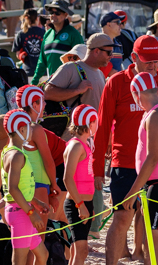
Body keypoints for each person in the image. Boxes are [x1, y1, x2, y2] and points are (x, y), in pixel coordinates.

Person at [95, 35, 158, 265]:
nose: (153, 65)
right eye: (148, 61)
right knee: (122, 218)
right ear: (134, 57)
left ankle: (145, 258)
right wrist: (98, 168)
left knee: (154, 229)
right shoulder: (117, 82)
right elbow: (102, 127)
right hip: (125, 163)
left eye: (156, 60)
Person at [120, 71, 158, 264]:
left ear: (137, 94)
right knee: (154, 241)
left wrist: (132, 191)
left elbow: (152, 158)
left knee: (155, 242)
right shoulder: (153, 113)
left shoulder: (157, 114)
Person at [0, 110, 49, 265]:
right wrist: (31, 213)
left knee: (43, 254)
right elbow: (13, 189)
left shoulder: (8, 152)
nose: (32, 131)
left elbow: (20, 187)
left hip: (21, 208)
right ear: (21, 129)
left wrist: (35, 202)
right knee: (19, 260)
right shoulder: (16, 155)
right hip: (21, 212)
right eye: (29, 127)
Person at [16, 85, 66, 223]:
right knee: (42, 231)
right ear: (34, 105)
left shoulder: (14, 127)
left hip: (21, 184)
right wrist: (53, 186)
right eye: (43, 101)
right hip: (40, 182)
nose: (45, 105)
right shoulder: (35, 129)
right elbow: (47, 162)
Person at [44, 33, 111, 117]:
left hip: (95, 125)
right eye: (109, 52)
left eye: (75, 57)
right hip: (73, 125)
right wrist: (77, 90)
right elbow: (48, 93)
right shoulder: (69, 68)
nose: (72, 60)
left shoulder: (100, 73)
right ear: (96, 51)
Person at [63, 105, 98, 265]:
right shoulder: (76, 146)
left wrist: (88, 206)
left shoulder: (83, 144)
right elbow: (67, 178)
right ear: (88, 123)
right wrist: (80, 205)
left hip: (84, 203)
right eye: (95, 122)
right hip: (76, 204)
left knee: (77, 250)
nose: (97, 125)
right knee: (82, 251)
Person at [33, 0, 85, 83]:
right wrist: (34, 82)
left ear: (65, 15)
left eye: (57, 12)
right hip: (52, 84)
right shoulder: (47, 34)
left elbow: (82, 61)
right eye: (51, 12)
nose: (53, 15)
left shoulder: (74, 34)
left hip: (70, 85)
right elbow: (42, 62)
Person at [13, 9, 45, 79]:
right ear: (37, 18)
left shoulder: (20, 34)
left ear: (25, 18)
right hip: (43, 72)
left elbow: (18, 54)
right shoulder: (44, 32)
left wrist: (21, 55)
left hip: (28, 72)